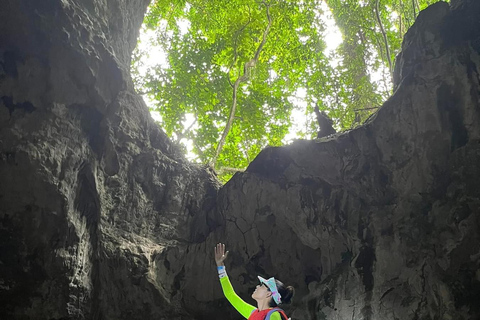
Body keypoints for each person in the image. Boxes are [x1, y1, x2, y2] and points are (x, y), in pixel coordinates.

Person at [214, 243, 295, 320]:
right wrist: (220, 266)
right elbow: (230, 294)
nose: (257, 286)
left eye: (262, 286)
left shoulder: (274, 315)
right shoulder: (254, 313)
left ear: (268, 293)